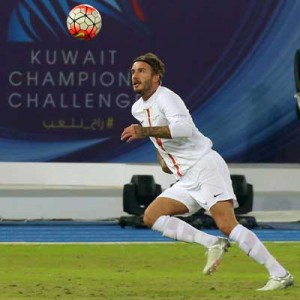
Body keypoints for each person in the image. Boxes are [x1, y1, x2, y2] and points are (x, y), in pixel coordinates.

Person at [120, 52, 294, 291]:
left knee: (227, 224)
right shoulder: (137, 108)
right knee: (152, 216)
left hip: (205, 166)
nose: (135, 75)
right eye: (132, 71)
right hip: (186, 176)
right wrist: (165, 159)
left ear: (156, 77)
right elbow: (158, 140)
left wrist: (144, 131)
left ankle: (280, 274)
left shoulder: (167, 97)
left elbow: (184, 129)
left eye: (141, 70)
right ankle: (211, 242)